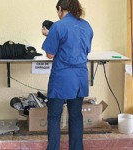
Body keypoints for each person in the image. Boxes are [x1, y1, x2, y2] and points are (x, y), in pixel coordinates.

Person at [41, 0, 93, 149]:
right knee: (76, 115)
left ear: (60, 9)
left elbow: (50, 54)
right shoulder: (86, 25)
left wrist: (48, 35)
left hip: (62, 77)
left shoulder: (58, 26)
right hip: (80, 77)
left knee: (54, 116)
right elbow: (85, 50)